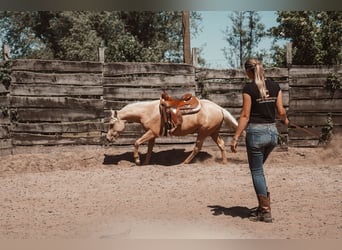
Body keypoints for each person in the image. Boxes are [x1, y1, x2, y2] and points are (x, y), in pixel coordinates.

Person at [230, 58, 289, 223]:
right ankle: (262, 206)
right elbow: (281, 111)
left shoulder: (248, 88)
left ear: (248, 71)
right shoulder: (275, 86)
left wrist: (235, 137)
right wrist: (285, 121)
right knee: (259, 171)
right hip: (272, 134)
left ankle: (265, 211)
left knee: (257, 172)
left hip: (256, 133)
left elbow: (245, 115)